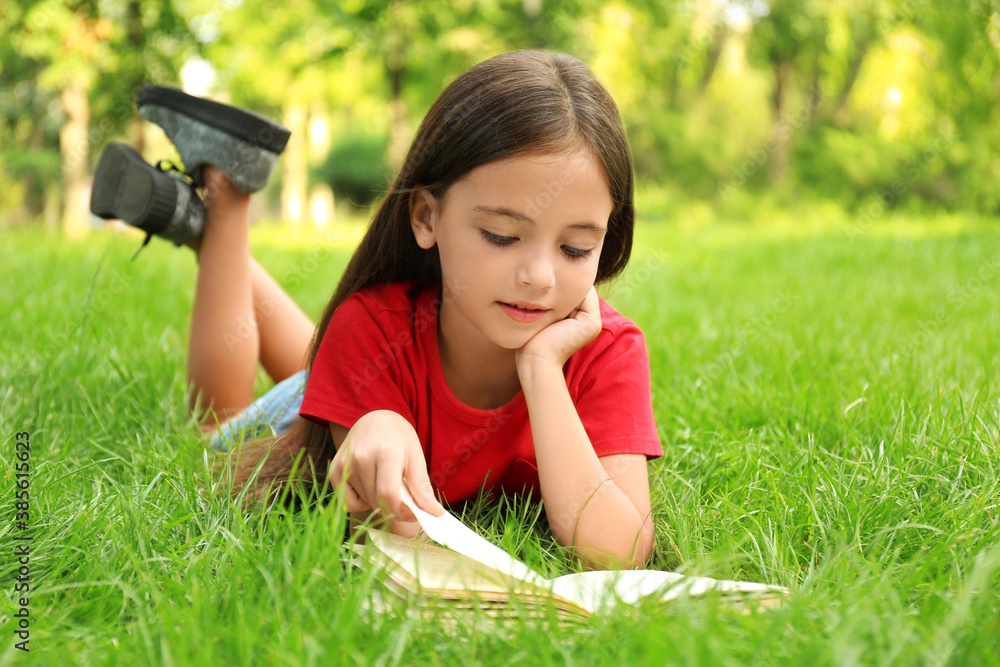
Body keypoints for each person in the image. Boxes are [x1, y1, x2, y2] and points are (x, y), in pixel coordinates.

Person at [92, 50, 663, 569]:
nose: (539, 276)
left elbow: (618, 550)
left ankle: (204, 228)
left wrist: (540, 369)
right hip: (332, 392)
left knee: (331, 356)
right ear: (425, 218)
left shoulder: (606, 348)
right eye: (500, 235)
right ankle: (226, 204)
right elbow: (400, 533)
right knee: (220, 424)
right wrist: (377, 423)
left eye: (574, 249)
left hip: (377, 360)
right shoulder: (368, 328)